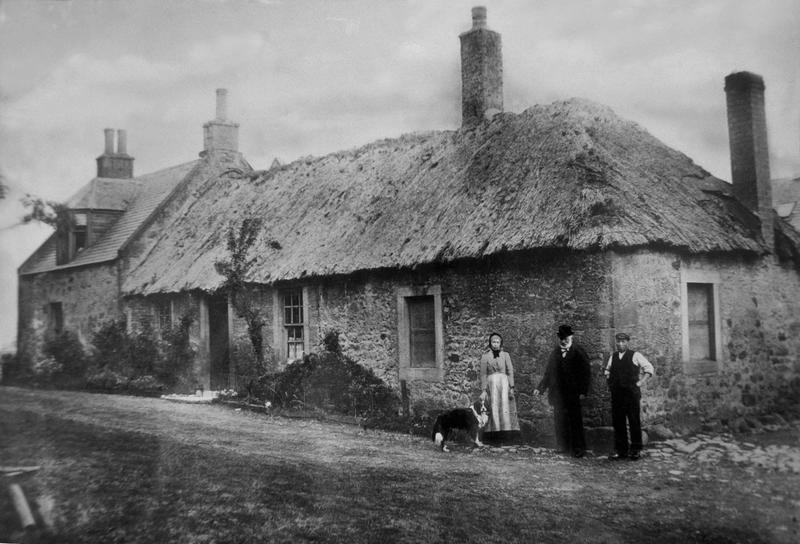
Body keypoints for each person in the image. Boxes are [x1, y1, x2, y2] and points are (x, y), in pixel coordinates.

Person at [534, 325, 591, 458]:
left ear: (571, 337)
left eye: (565, 338)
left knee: (575, 421)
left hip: (573, 393)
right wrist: (540, 388)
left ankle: (578, 448)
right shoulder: (555, 353)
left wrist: (583, 391)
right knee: (559, 420)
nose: (563, 341)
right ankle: (562, 446)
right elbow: (548, 373)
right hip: (558, 394)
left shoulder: (578, 351)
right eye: (561, 338)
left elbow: (585, 373)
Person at [605, 332, 654, 461]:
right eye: (618, 342)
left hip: (631, 395)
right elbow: (607, 370)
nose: (620, 344)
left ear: (627, 342)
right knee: (618, 422)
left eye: (623, 342)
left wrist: (640, 382)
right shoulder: (613, 356)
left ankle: (636, 450)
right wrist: (610, 382)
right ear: (616, 343)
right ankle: (621, 450)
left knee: (633, 421)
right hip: (617, 395)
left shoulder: (635, 355)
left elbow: (649, 369)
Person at [479, 333, 521, 444]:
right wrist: (483, 390)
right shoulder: (485, 357)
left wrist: (511, 387)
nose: (495, 344)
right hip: (491, 385)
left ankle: (507, 436)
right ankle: (494, 437)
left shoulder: (506, 355)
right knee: (494, 408)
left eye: (497, 342)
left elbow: (510, 371)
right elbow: (483, 374)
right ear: (490, 343)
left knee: (505, 409)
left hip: (504, 385)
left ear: (500, 343)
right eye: (493, 342)